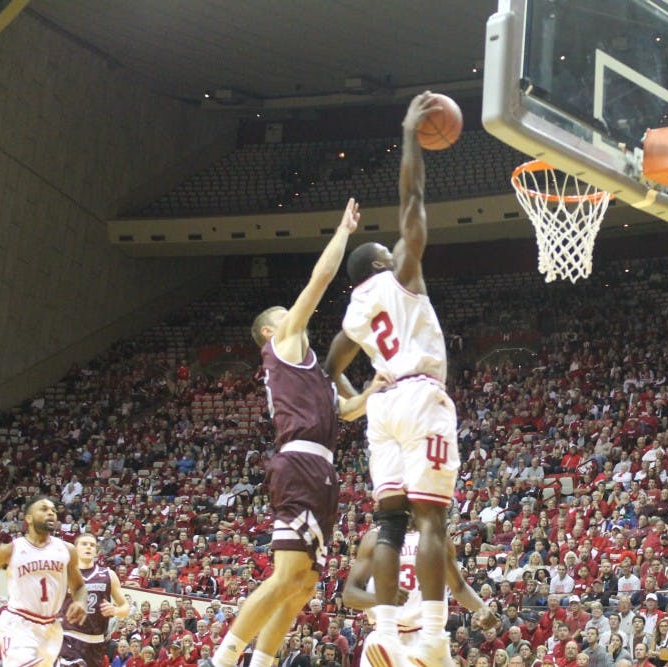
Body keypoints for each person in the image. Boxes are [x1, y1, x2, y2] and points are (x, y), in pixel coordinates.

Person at [210, 199, 386, 667]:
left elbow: (346, 413)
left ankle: (263, 661)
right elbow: (320, 281)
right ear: (271, 330)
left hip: (322, 469)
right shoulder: (284, 346)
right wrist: (343, 233)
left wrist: (375, 390)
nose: (297, 316)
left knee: (305, 582)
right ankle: (223, 659)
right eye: (287, 314)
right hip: (298, 462)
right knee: (287, 572)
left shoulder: (314, 373)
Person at [325, 92, 462, 667]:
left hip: (381, 407)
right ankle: (430, 634)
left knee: (387, 521)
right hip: (420, 394)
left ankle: (383, 629)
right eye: (390, 246)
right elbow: (414, 197)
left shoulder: (354, 314)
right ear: (384, 260)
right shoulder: (401, 273)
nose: (398, 244)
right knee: (430, 517)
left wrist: (355, 402)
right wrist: (410, 132)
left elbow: (329, 367)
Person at [343, 523, 498, 667]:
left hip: (427, 635)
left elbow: (459, 587)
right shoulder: (375, 537)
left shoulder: (437, 536)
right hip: (385, 635)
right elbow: (349, 596)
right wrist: (383, 598)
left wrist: (482, 608)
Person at [0, 496, 88, 667]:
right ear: (28, 518)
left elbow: (79, 586)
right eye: (44, 509)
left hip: (51, 627)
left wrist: (81, 602)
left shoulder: (67, 550)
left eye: (53, 510)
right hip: (18, 624)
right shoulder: (11, 549)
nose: (51, 512)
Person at [59, 533, 131, 667]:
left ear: (96, 551)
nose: (89, 547)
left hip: (95, 642)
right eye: (84, 544)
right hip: (69, 636)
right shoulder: (64, 574)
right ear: (75, 550)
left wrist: (114, 610)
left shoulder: (108, 575)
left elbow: (125, 609)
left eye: (92, 545)